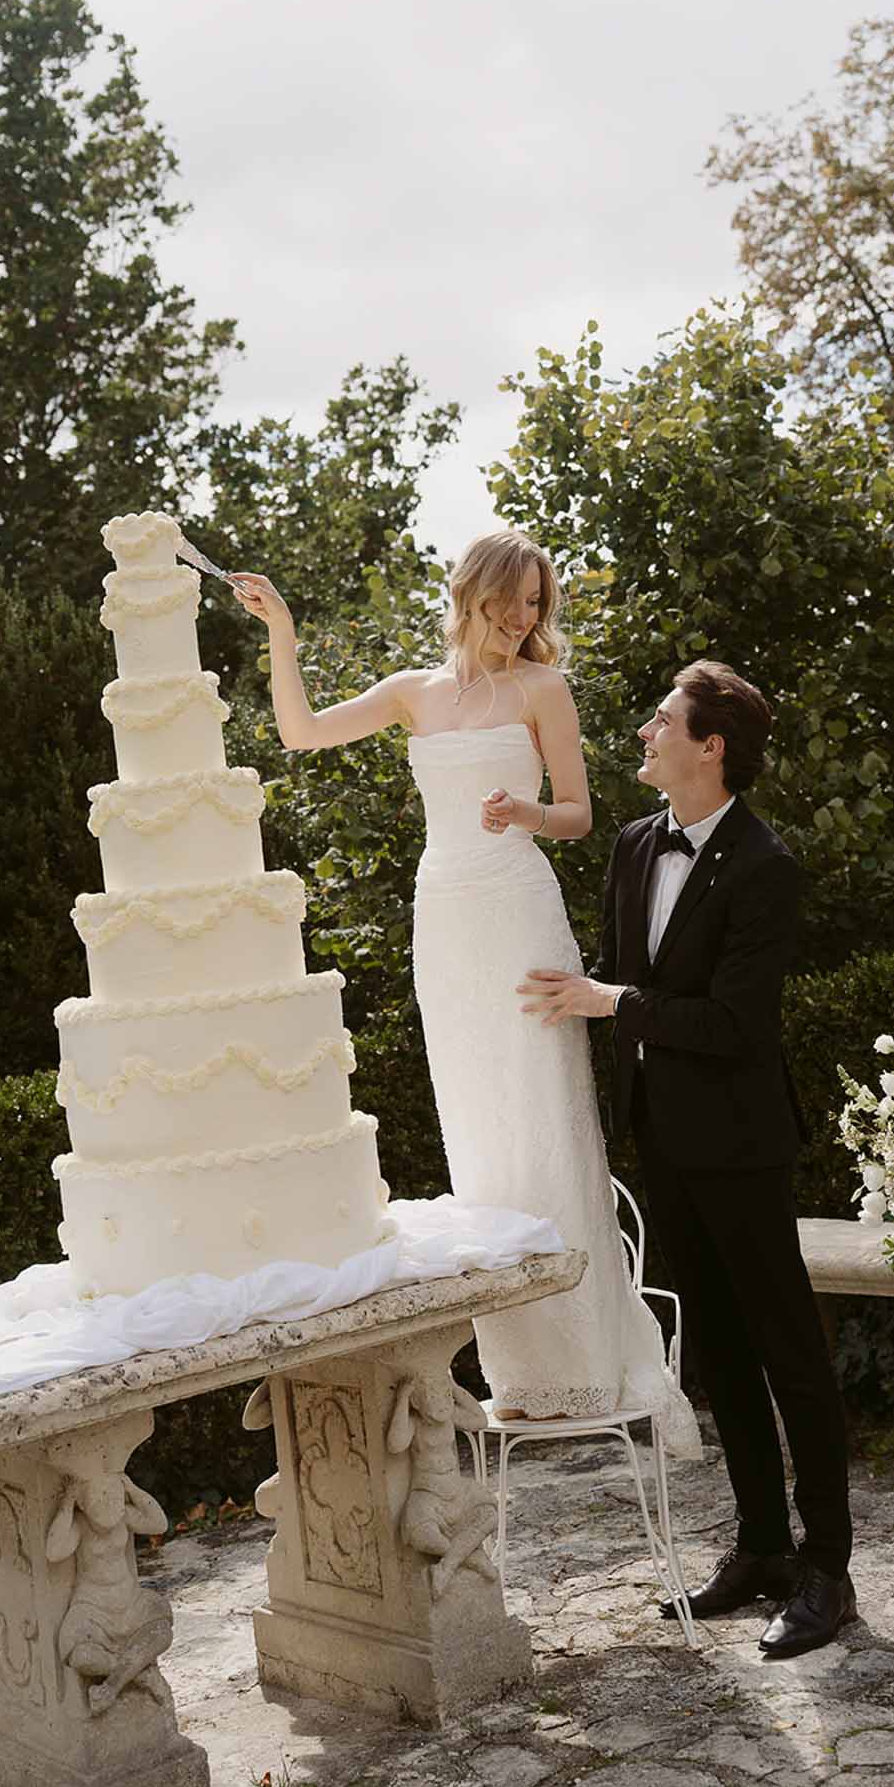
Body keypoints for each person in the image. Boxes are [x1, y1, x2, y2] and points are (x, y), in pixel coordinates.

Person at [229, 532, 699, 1447]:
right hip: (445, 920)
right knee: (480, 1128)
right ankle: (521, 1371)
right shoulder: (414, 691)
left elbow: (579, 813)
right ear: (472, 593)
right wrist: (281, 628)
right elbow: (301, 732)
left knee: (544, 1113)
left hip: (518, 910)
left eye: (536, 602)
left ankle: (589, 1356)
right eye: (511, 598)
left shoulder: (542, 688)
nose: (524, 617)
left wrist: (526, 812)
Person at [517, 660, 856, 1658]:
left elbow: (735, 1024)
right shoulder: (634, 844)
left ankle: (828, 1568)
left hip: (741, 1146)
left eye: (663, 721)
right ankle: (760, 1548)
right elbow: (627, 980)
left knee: (789, 1352)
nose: (645, 732)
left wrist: (610, 1002)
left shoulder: (766, 865)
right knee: (716, 1348)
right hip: (660, 1136)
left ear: (710, 747)